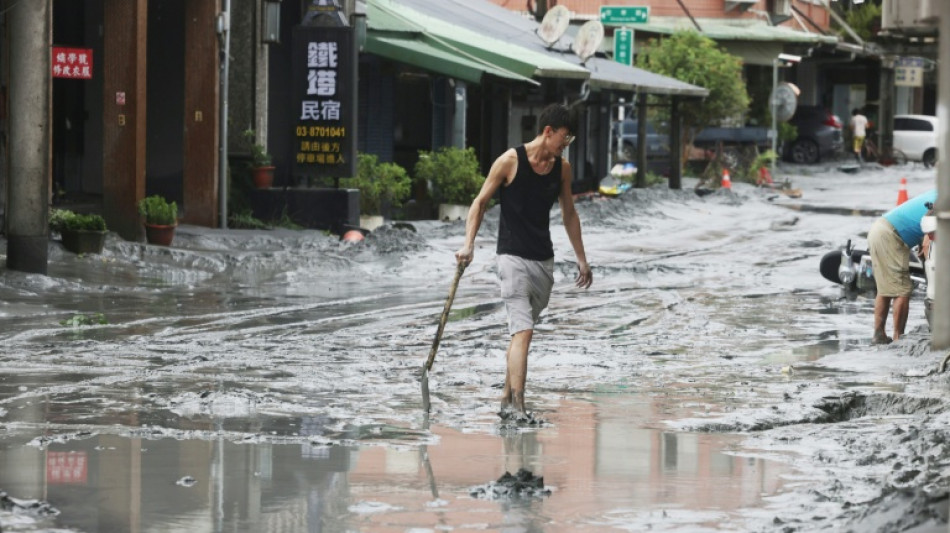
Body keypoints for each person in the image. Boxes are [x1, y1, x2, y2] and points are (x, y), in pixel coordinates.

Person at [454, 103, 593, 417]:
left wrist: (581, 259)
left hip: (543, 261)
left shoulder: (562, 169)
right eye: (564, 138)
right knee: (524, 331)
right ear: (547, 132)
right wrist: (468, 244)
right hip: (511, 257)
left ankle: (506, 399)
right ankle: (519, 407)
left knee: (522, 332)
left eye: (570, 140)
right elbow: (479, 203)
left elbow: (569, 213)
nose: (566, 146)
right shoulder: (509, 161)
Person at [867, 188, 937, 344]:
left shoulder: (936, 193)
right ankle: (899, 338)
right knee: (902, 290)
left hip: (880, 229)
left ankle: (879, 335)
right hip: (890, 235)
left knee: (885, 289)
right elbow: (931, 232)